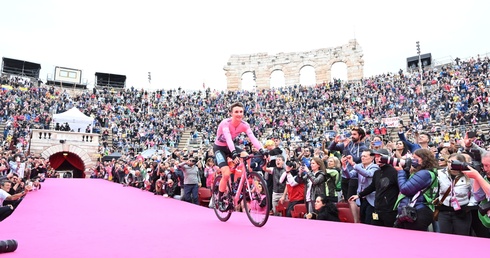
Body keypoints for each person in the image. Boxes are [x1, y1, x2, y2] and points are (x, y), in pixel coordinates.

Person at [213, 102, 265, 211]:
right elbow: (227, 138)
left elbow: (253, 138)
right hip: (220, 148)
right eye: (236, 112)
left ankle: (246, 174)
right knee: (226, 174)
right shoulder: (225, 123)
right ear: (231, 113)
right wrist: (233, 153)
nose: (239, 114)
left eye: (241, 111)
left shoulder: (244, 125)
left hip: (231, 147)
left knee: (246, 154)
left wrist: (261, 150)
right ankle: (220, 198)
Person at [350, 149, 399, 227]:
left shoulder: (394, 172)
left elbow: (401, 188)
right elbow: (372, 187)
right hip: (377, 208)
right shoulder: (377, 172)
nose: (377, 159)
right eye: (375, 157)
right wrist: (359, 195)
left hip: (389, 210)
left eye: (379, 156)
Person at [394, 148, 439, 231]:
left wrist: (400, 172)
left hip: (418, 211)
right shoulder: (428, 172)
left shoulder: (424, 173)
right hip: (419, 209)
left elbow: (405, 189)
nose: (412, 161)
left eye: (415, 158)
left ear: (424, 159)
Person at [436, 153, 473, 236]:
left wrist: (468, 207)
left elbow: (475, 194)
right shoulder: (440, 173)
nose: (452, 165)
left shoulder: (469, 175)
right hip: (444, 211)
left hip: (461, 212)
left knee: (461, 238)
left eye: (455, 162)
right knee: (444, 237)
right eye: (450, 162)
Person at [344, 149, 379, 224]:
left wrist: (353, 164)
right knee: (362, 218)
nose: (362, 158)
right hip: (361, 198)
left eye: (365, 156)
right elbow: (349, 176)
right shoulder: (359, 166)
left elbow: (368, 174)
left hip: (371, 198)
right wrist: (344, 166)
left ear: (372, 158)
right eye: (362, 156)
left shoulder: (375, 167)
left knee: (369, 219)